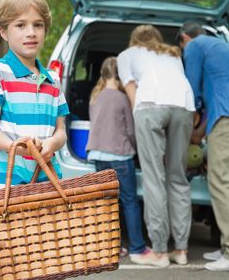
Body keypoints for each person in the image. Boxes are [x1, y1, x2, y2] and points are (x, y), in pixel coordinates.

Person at [117, 25, 195, 267]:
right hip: (183, 106)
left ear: (134, 39)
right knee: (178, 178)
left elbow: (132, 93)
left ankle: (160, 252)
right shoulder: (173, 53)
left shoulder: (126, 55)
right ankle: (181, 250)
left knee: (153, 178)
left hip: (150, 104)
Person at [0, 0, 69, 187]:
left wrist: (51, 144)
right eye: (20, 25)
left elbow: (61, 131)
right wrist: (22, 149)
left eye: (38, 25)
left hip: (47, 182)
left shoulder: (53, 79)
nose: (31, 33)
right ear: (4, 32)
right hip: (5, 185)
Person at [86, 56, 156, 266]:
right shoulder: (123, 98)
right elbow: (130, 130)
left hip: (98, 156)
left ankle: (110, 247)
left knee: (106, 203)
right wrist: (137, 149)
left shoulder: (94, 96)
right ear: (122, 75)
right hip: (119, 156)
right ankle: (137, 247)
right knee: (129, 202)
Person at [177, 21, 229, 271]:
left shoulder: (195, 46)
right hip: (223, 116)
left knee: (219, 181)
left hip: (225, 118)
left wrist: (189, 123)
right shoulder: (219, 44)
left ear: (185, 38)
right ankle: (224, 245)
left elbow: (191, 87)